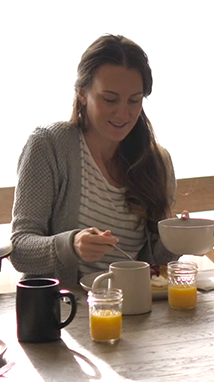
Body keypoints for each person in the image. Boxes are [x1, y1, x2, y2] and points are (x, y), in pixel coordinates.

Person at [10, 34, 179, 289]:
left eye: (134, 100)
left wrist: (177, 237)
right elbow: (20, 249)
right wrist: (72, 244)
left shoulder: (157, 161)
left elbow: (155, 262)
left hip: (133, 309)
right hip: (62, 315)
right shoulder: (49, 145)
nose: (123, 113)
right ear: (82, 93)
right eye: (109, 99)